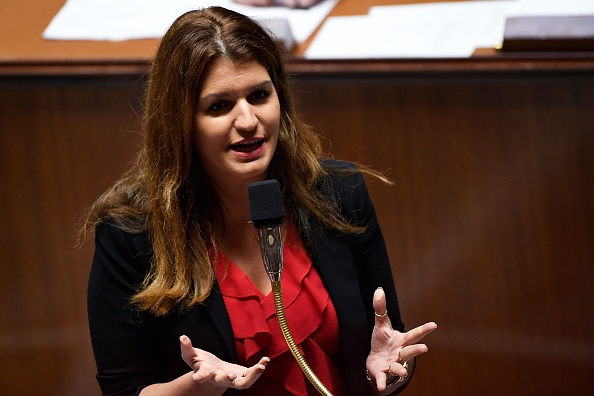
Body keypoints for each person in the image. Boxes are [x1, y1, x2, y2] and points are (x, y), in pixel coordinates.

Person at [80, 6, 437, 396]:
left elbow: (387, 352)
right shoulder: (130, 234)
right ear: (180, 122)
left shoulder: (339, 193)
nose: (248, 120)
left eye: (259, 95)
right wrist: (195, 389)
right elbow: (123, 389)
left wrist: (386, 372)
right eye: (219, 106)